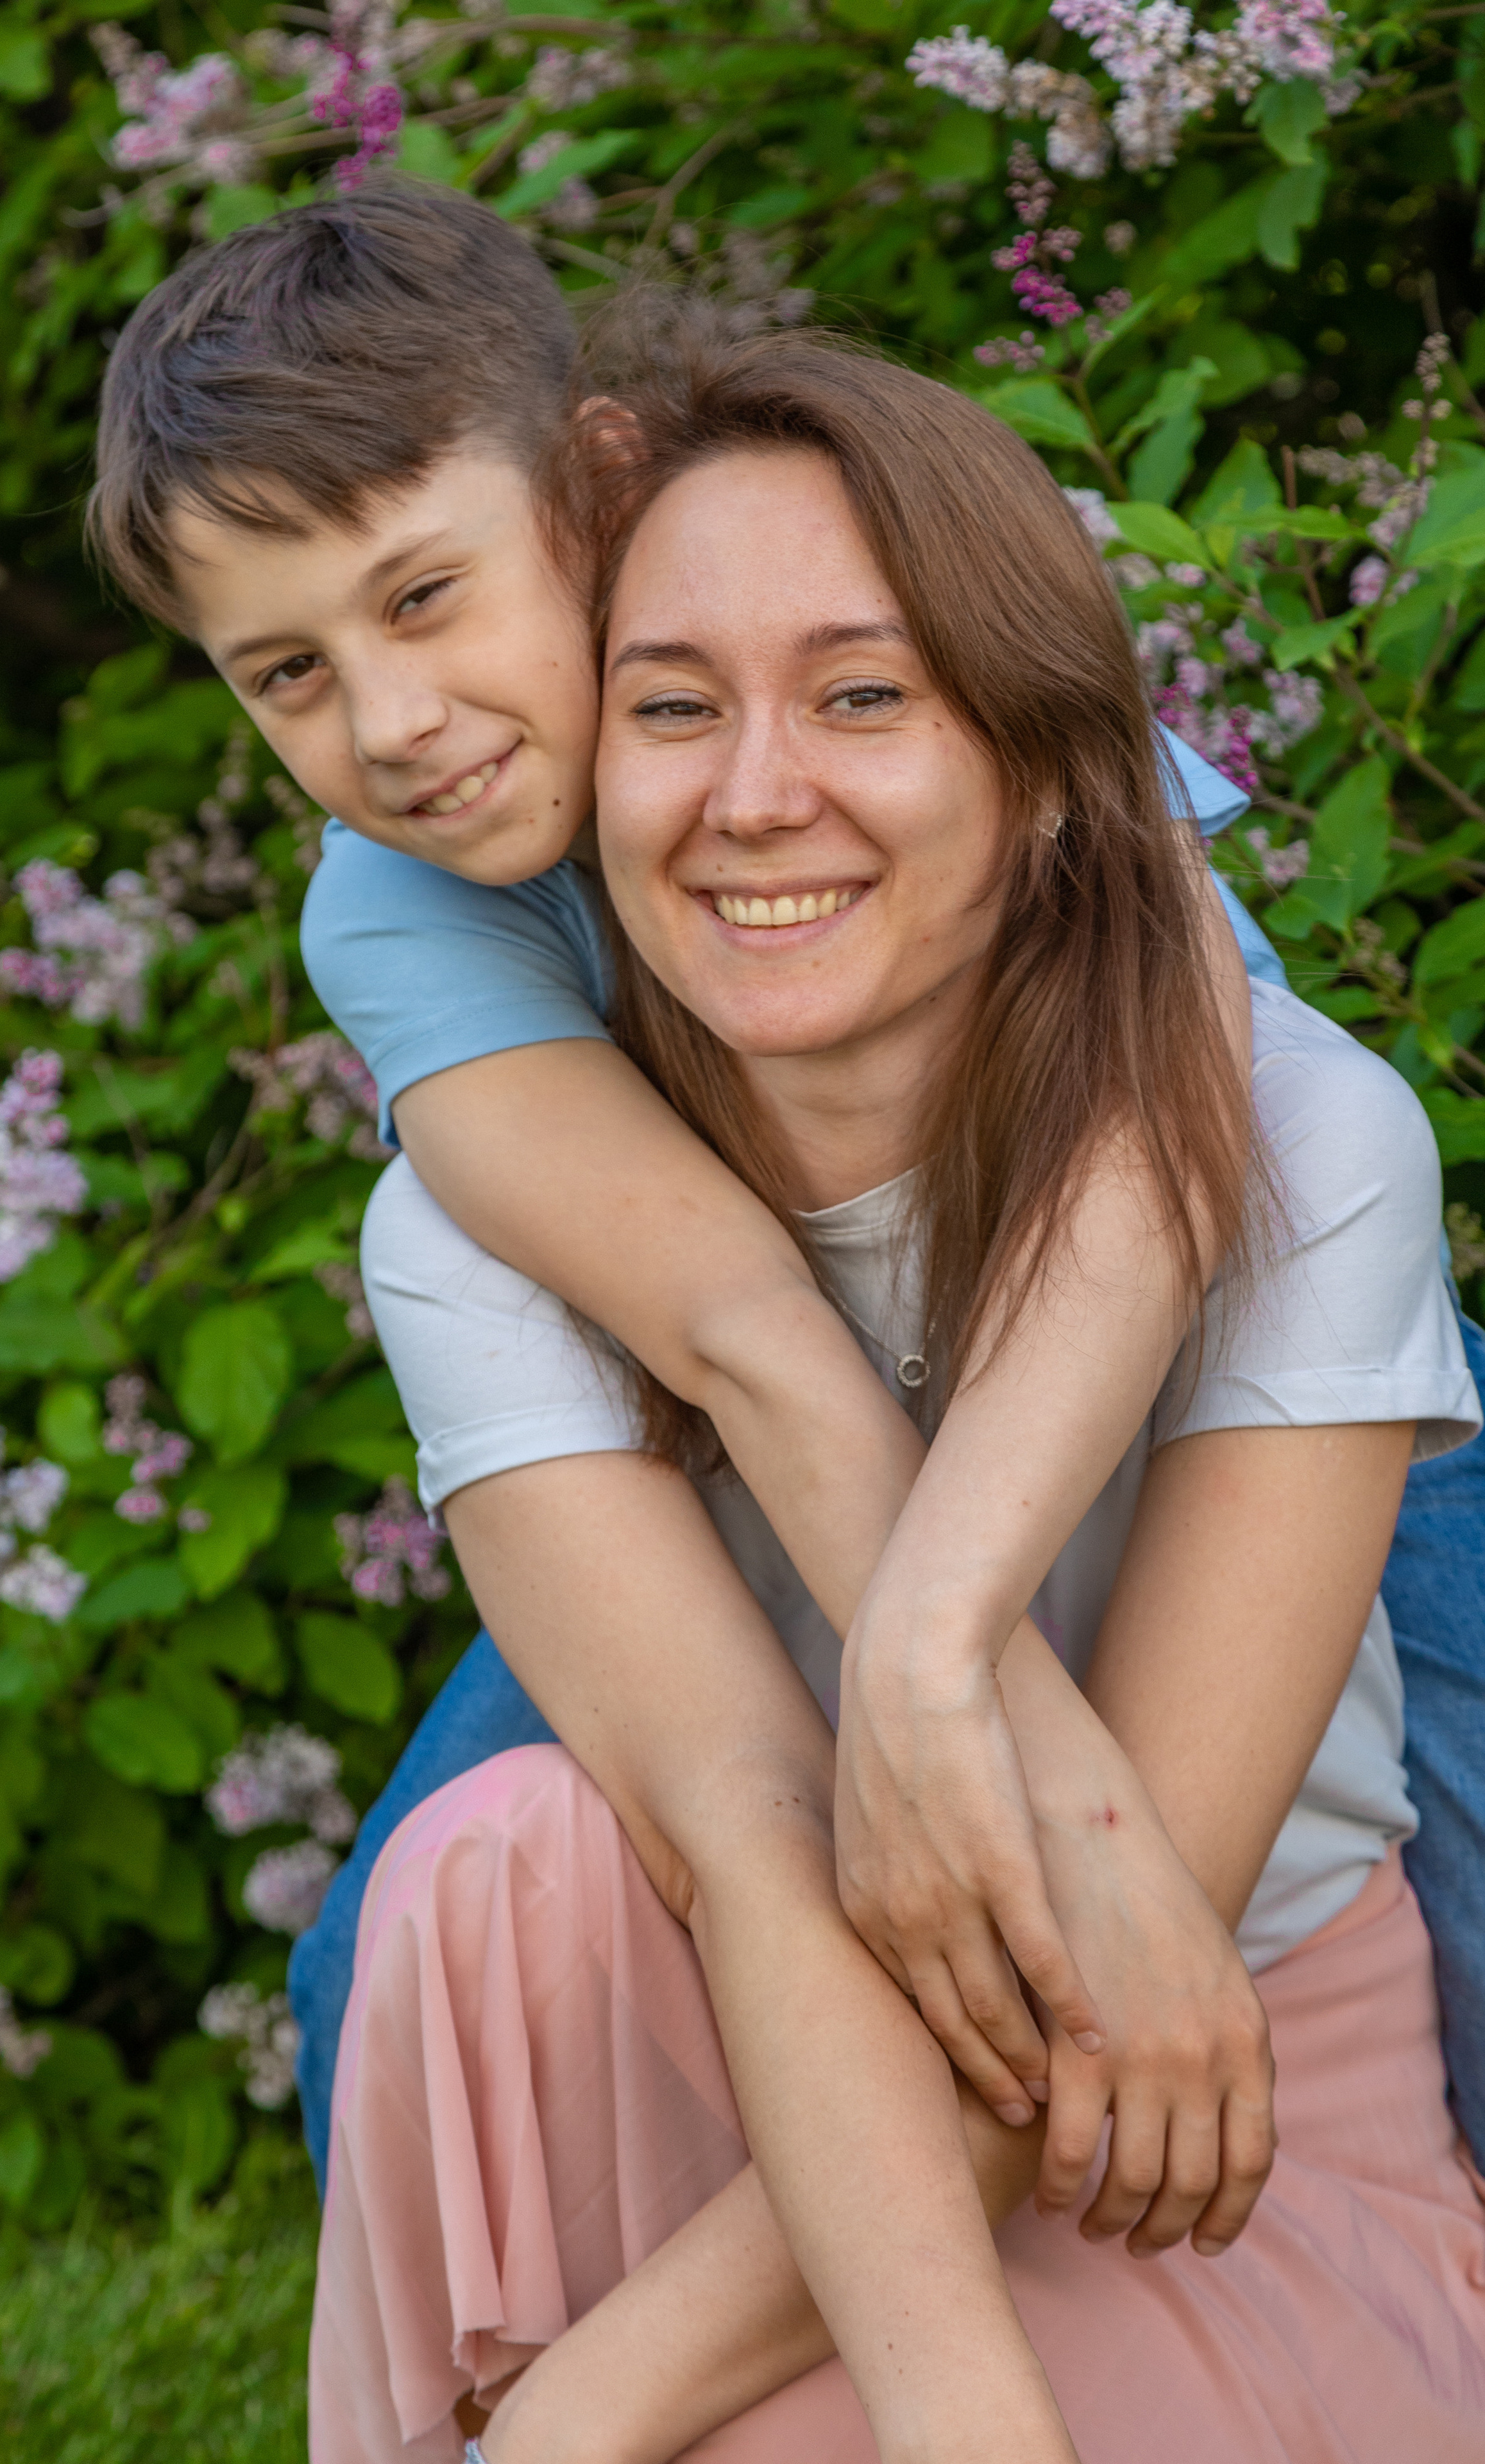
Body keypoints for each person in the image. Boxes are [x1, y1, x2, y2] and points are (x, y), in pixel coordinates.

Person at [88, 189, 1485, 2174]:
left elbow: (1173, 1151)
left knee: (1450, 1885)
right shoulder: (398, 914)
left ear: (587, 484)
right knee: (377, 1956)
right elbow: (738, 1333)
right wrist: (959, 1709)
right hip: (768, 1436)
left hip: (1208, 1361)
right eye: (281, 672)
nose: (387, 728)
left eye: (420, 597)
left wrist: (960, 1697)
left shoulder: (868, 622)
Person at [314, 325, 1485, 2462]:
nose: (758, 791)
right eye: (676, 708)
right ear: (597, 724)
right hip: (786, 2017)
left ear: (1043, 765)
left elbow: (1112, 1987)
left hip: (1188, 2077)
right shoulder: (462, 1094)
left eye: (867, 696)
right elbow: (751, 1819)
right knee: (478, 1868)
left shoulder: (1292, 1128)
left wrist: (579, 2421)